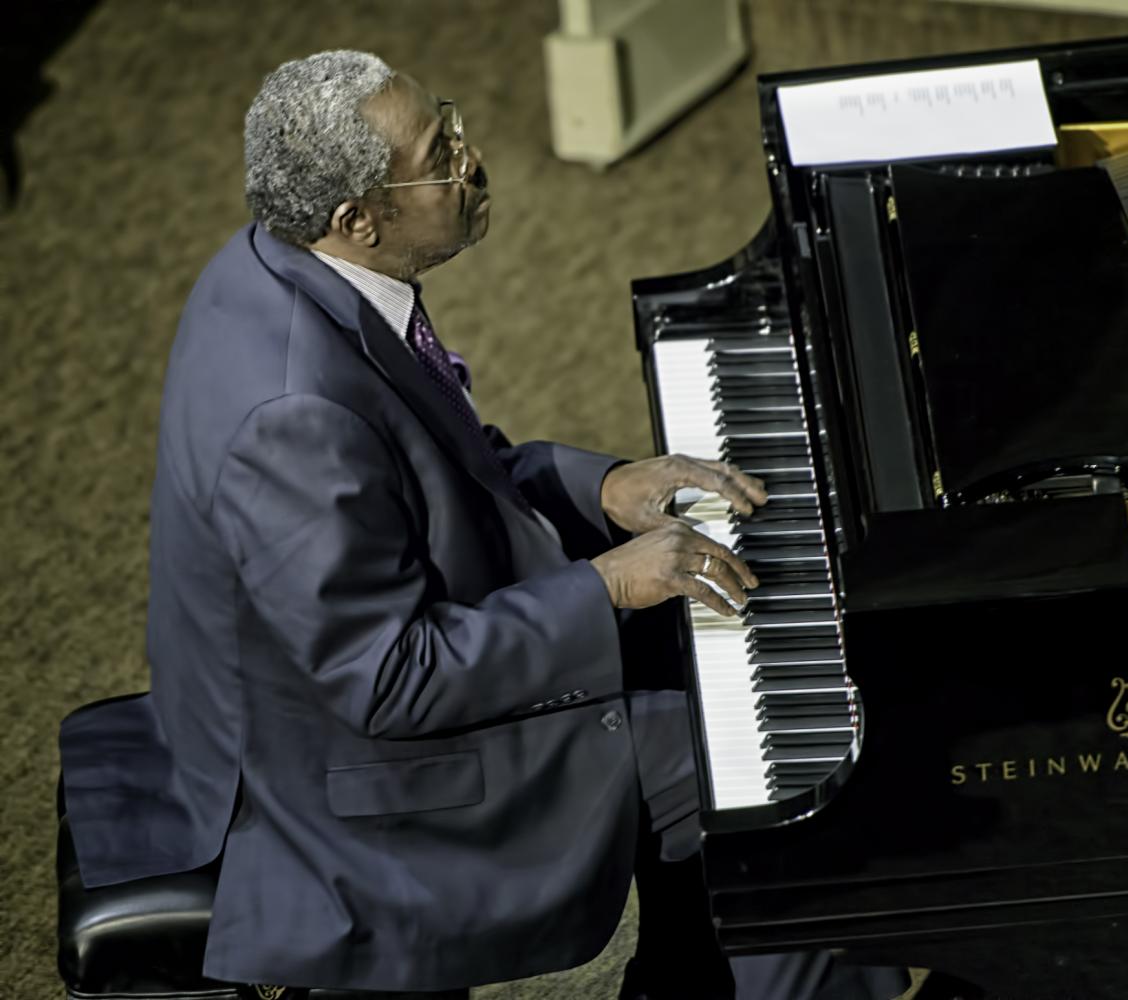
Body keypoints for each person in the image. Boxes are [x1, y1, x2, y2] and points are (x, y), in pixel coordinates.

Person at [57, 50, 908, 1000]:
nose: (473, 160)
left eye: (452, 125)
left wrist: (604, 488)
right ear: (358, 219)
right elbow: (392, 680)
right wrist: (609, 584)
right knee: (778, 783)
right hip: (349, 787)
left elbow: (438, 475)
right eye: (441, 153)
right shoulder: (295, 413)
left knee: (713, 663)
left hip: (327, 688)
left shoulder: (274, 262)